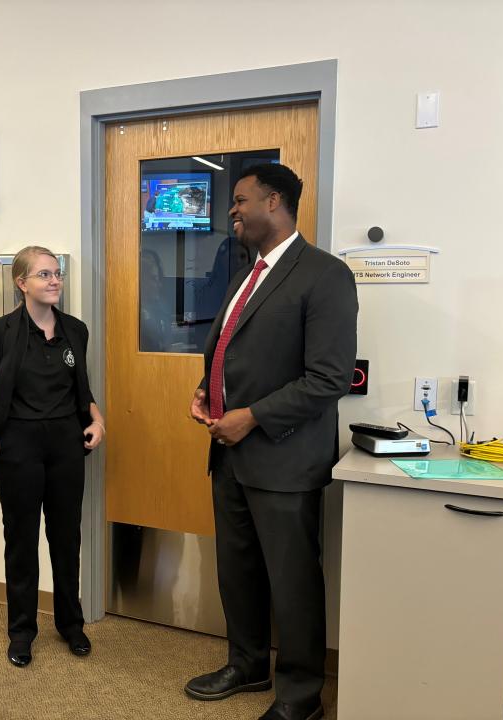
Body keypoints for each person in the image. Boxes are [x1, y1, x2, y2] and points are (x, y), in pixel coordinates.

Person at [185, 164, 358, 720]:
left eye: (240, 200)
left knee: (293, 582)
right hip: (230, 452)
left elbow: (329, 378)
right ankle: (248, 664)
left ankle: (302, 696)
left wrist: (251, 416)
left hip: (284, 458)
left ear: (275, 201)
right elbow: (233, 352)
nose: (231, 210)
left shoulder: (324, 274)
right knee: (237, 570)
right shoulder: (246, 274)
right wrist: (207, 392)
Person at [0, 246, 104, 668]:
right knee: (21, 541)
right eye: (43, 275)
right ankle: (21, 631)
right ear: (21, 283)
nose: (54, 281)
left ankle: (70, 625)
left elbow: (84, 392)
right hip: (16, 448)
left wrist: (98, 420)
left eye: (57, 274)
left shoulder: (77, 330)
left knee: (66, 537)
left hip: (66, 448)